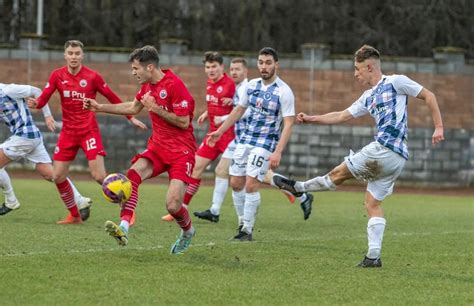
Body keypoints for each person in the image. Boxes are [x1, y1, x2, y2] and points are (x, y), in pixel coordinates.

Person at [273, 45, 444, 267]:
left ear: (369, 66)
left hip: (384, 149)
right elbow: (342, 115)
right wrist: (312, 118)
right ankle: (373, 257)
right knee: (371, 204)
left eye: (357, 69)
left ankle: (299, 188)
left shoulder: (395, 82)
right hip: (398, 159)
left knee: (338, 174)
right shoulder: (367, 97)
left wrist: (438, 126)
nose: (355, 74)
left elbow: (428, 95)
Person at [83, 45, 197, 254]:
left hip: (182, 152)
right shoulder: (146, 87)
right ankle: (124, 227)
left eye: (136, 68)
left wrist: (155, 109)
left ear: (150, 67)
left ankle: (188, 232)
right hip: (158, 148)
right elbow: (133, 108)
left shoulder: (175, 86)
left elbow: (183, 122)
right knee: (132, 175)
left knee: (173, 205)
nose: (133, 72)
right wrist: (99, 107)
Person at [28, 40, 146, 224]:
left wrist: (131, 117)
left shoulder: (92, 77)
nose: (74, 56)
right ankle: (75, 215)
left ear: (82, 55)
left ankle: (128, 209)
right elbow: (43, 99)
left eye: (77, 53)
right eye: (70, 53)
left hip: (88, 131)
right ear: (65, 55)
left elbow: (112, 97)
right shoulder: (57, 75)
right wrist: (36, 104)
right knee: (57, 176)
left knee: (99, 176)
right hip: (68, 132)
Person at [193, 57, 313, 223]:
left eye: (238, 69)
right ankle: (216, 210)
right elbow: (237, 109)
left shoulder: (249, 87)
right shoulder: (240, 87)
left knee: (259, 178)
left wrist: (222, 119)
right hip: (241, 139)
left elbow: (247, 111)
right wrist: (211, 114)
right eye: (232, 69)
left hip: (253, 140)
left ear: (246, 71)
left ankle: (299, 194)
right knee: (223, 171)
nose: (234, 72)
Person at [207, 47, 296, 241]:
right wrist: (220, 132)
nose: (264, 67)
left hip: (265, 143)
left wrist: (278, 151)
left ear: (276, 65)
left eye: (268, 63)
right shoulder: (252, 86)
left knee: (251, 183)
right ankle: (241, 222)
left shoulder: (284, 91)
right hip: (245, 139)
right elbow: (238, 110)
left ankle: (247, 230)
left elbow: (289, 123)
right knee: (236, 183)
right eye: (261, 62)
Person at [0, 83, 92, 222]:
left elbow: (37, 91)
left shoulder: (8, 90)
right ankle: (80, 200)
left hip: (25, 135)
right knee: (51, 175)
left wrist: (47, 116)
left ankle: (11, 200)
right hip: (31, 137)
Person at [161, 51, 235, 221]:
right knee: (195, 168)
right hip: (213, 135)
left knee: (247, 175)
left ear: (222, 67)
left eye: (214, 66)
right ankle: (182, 208)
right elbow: (216, 103)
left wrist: (225, 114)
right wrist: (206, 113)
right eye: (208, 67)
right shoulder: (210, 83)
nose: (210, 70)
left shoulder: (231, 85)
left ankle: (293, 192)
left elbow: (241, 107)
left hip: (230, 136)